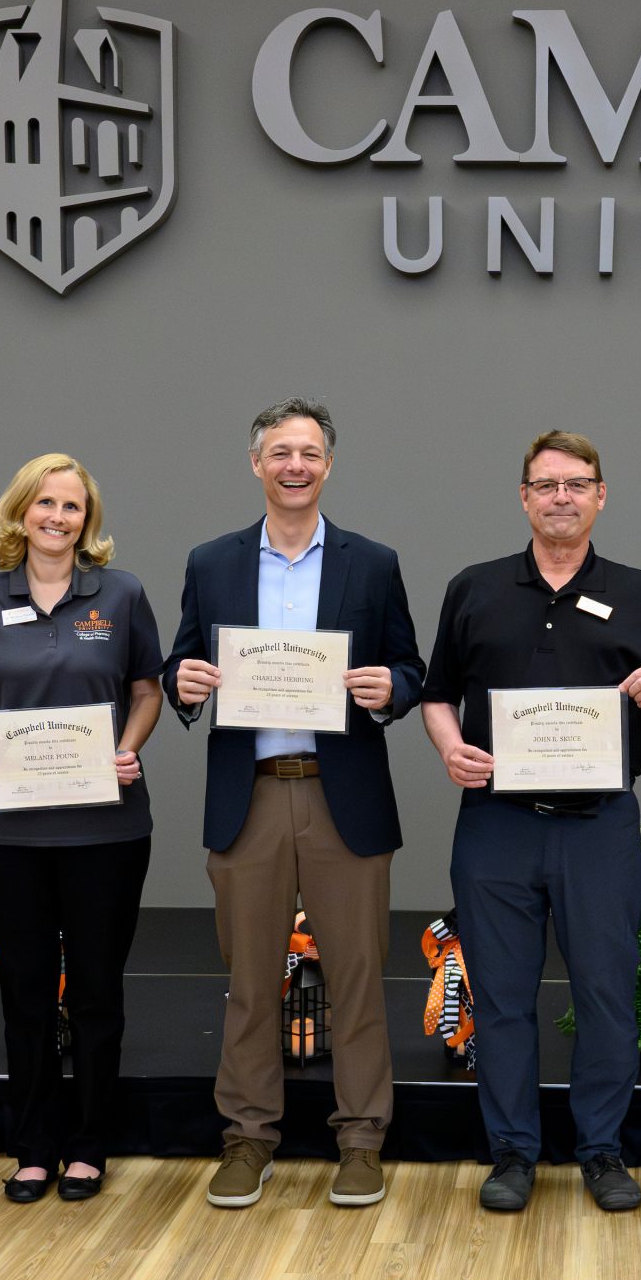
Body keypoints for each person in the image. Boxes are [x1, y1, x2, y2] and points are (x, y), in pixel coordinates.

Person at [162, 397, 424, 1210]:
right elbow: (179, 663)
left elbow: (411, 668)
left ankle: (359, 1139)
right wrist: (184, 682)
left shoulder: (371, 563)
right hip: (251, 798)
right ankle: (247, 1138)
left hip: (341, 794)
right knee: (249, 981)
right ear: (256, 463)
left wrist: (393, 691)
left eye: (309, 452)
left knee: (355, 977)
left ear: (329, 465)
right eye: (280, 452)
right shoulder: (212, 562)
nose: (295, 466)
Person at [422, 430, 641, 1214]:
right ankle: (512, 1151)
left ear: (601, 495)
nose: (562, 496)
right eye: (547, 484)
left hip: (600, 824)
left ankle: (601, 1149)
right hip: (495, 823)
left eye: (578, 483)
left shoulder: (640, 592)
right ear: (524, 497)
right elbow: (438, 692)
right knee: (501, 995)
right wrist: (450, 748)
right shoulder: (474, 587)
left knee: (607, 992)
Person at [0, 454, 163, 1204]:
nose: (57, 517)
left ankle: (90, 1144)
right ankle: (34, 1147)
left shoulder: (123, 594)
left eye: (72, 506)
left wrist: (128, 747)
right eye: (45, 503)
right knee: (27, 995)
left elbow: (146, 691)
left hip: (106, 830)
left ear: (87, 520)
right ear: (20, 512)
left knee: (98, 992)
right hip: (8, 835)